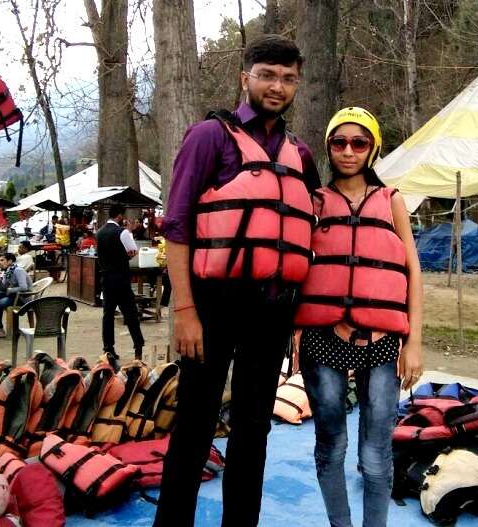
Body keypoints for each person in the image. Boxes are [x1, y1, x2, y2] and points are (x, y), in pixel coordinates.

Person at [154, 35, 321, 527]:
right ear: (244, 77)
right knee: (195, 426)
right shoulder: (210, 136)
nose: (277, 86)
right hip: (212, 305)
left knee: (253, 430)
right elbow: (178, 224)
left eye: (288, 78)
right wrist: (184, 310)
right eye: (267, 74)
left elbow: (306, 229)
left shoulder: (301, 154)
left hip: (272, 311)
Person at [293, 107, 424, 527]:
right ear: (329, 148)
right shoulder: (314, 203)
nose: (348, 151)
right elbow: (296, 268)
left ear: (373, 148)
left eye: (359, 143)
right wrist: (296, 329)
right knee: (331, 445)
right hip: (322, 337)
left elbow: (412, 271)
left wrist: (415, 341)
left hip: (382, 339)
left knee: (375, 453)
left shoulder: (392, 201)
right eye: (339, 142)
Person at [96, 204, 144, 362]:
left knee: (107, 315)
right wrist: (124, 257)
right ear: (119, 216)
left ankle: (108, 349)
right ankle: (138, 345)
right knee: (130, 314)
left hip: (106, 278)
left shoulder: (100, 232)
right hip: (121, 279)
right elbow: (133, 251)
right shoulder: (122, 232)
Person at [0, 253, 33, 338]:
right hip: (13, 296)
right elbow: (2, 289)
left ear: (10, 261)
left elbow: (24, 287)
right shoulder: (8, 271)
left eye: (2, 260)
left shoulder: (18, 270)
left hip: (23, 297)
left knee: (1, 302)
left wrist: (10, 290)